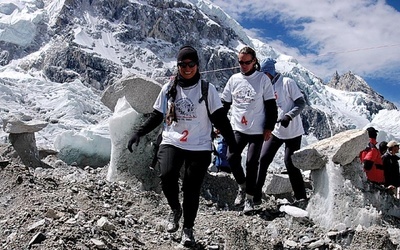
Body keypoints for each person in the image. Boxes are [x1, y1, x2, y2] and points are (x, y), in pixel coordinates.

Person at [127, 45, 236, 247]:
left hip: (200, 145)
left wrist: (232, 144)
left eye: (191, 64)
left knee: (191, 188)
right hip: (173, 140)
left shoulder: (207, 89)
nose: (187, 68)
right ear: (177, 66)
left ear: (197, 65)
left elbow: (220, 119)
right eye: (183, 64)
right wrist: (138, 133)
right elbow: (157, 115)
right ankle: (175, 209)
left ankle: (188, 228)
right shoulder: (169, 88)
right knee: (167, 175)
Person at [221, 47, 277, 214]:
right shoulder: (233, 79)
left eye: (247, 62)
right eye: (240, 62)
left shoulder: (262, 80)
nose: (243, 65)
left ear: (254, 62)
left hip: (257, 130)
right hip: (238, 128)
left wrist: (269, 127)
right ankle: (242, 186)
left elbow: (271, 106)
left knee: (252, 163)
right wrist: (219, 124)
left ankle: (250, 199)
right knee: (231, 157)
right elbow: (225, 104)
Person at [255, 58, 307, 205]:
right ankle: (255, 196)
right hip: (276, 130)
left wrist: (288, 116)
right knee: (263, 159)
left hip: (293, 131)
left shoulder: (287, 82)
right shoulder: (266, 87)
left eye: (264, 73)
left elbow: (300, 103)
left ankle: (301, 197)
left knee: (290, 163)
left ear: (270, 72)